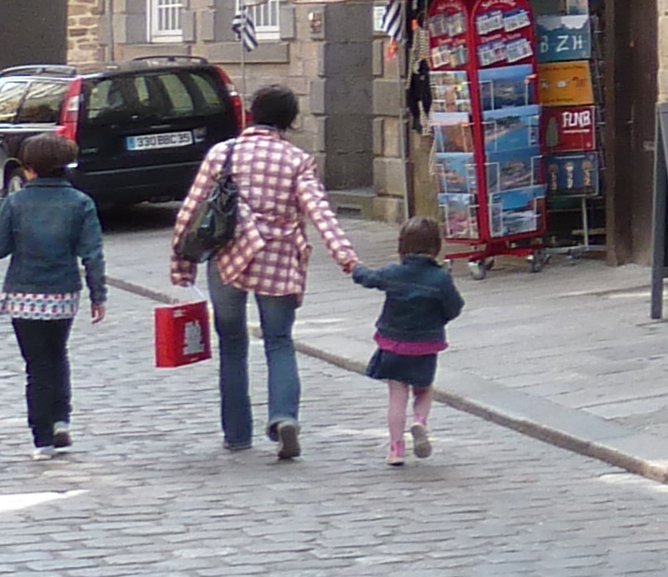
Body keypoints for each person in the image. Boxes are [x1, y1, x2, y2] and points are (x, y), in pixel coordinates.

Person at [169, 84, 358, 461]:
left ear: (251, 115)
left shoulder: (223, 154)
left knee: (233, 346)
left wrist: (182, 265)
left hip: (227, 257)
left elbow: (190, 212)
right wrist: (346, 257)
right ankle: (284, 417)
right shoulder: (297, 160)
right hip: (279, 260)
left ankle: (238, 435)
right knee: (279, 342)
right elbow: (319, 212)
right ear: (289, 121)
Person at [0, 136, 106, 457]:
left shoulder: (15, 202)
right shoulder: (81, 202)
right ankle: (62, 419)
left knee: (37, 366)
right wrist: (98, 295)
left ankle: (42, 438)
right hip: (63, 292)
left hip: (24, 293)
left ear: (29, 169)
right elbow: (92, 254)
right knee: (58, 354)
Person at [352, 217, 462, 468]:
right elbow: (455, 307)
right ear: (435, 247)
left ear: (403, 246)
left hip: (393, 344)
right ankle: (420, 421)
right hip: (424, 345)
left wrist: (354, 267)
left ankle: (395, 449)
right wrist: (438, 319)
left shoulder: (393, 273)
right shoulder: (440, 278)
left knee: (396, 395)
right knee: (424, 389)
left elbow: (368, 278)